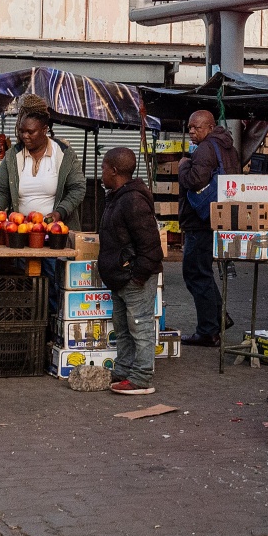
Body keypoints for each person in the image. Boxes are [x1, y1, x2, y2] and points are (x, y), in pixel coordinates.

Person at [95, 147, 163, 395]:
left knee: (140, 327)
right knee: (123, 328)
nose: (100, 172)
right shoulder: (117, 196)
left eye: (103, 167)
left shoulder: (132, 200)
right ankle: (123, 370)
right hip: (121, 279)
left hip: (133, 279)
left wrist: (137, 277)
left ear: (114, 170)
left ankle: (142, 377)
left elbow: (151, 246)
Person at [175, 107, 238, 348]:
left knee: (195, 273)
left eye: (196, 127)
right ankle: (218, 318)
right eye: (189, 127)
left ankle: (208, 331)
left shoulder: (204, 149)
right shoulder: (227, 148)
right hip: (217, 219)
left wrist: (183, 166)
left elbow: (194, 181)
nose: (191, 131)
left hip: (200, 221)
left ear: (210, 127)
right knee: (203, 272)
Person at [0, 98, 86, 223]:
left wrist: (60, 212)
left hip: (56, 230)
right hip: (20, 229)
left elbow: (78, 189)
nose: (25, 136)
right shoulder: (12, 157)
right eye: (22, 131)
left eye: (30, 132)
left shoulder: (63, 153)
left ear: (44, 130)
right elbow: (1, 190)